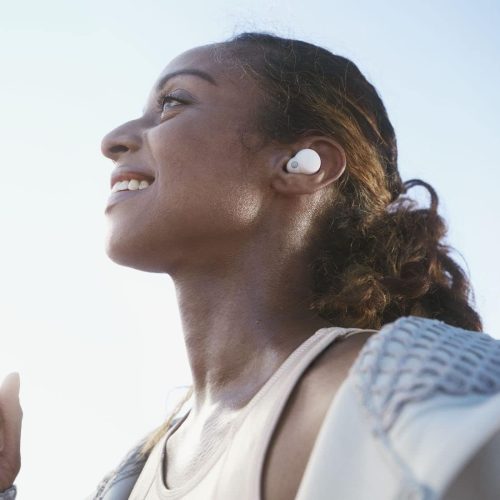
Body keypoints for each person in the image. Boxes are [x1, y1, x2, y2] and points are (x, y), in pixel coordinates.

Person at [1, 31, 499, 500]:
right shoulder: (133, 474)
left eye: (174, 102)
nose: (113, 139)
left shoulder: (399, 387)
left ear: (302, 164)